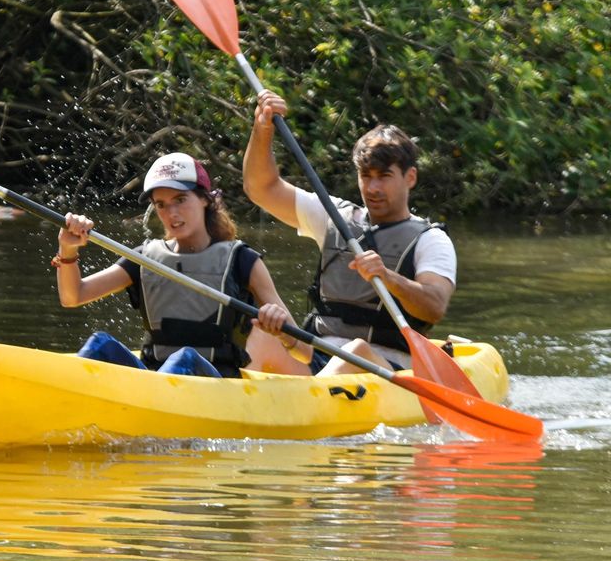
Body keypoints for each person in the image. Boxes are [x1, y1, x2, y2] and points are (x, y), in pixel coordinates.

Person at [242, 90, 457, 376]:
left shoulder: (430, 240)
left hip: (387, 368)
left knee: (354, 351)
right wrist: (263, 127)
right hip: (320, 360)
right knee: (262, 335)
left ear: (410, 177)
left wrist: (388, 277)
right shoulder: (334, 217)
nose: (373, 188)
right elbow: (261, 188)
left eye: (384, 176)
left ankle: (308, 405)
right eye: (366, 176)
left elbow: (434, 306)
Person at [53, 152, 301, 378]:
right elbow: (73, 296)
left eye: (180, 199)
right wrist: (68, 249)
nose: (171, 213)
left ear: (205, 199)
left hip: (216, 385)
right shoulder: (143, 258)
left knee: (185, 358)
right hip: (156, 380)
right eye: (161, 204)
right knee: (100, 344)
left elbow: (304, 352)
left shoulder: (243, 261)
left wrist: (280, 329)